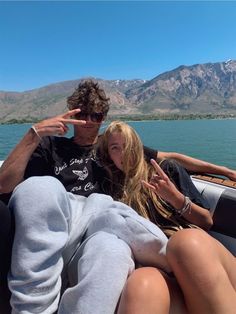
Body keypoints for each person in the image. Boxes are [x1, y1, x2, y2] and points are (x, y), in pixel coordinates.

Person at [0, 79, 235, 312]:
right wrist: (34, 134)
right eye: (83, 114)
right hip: (61, 228)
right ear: (72, 114)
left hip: (98, 232)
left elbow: (169, 157)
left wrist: (223, 171)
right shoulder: (50, 146)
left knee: (110, 246)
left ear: (103, 119)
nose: (89, 121)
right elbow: (4, 185)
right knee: (41, 190)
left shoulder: (112, 147)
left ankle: (173, 257)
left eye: (97, 116)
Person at [98, 120, 236, 314]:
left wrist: (176, 199)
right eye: (115, 148)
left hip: (199, 261)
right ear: (108, 154)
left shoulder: (166, 171)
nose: (125, 153)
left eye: (129, 146)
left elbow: (206, 221)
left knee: (185, 244)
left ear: (138, 147)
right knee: (142, 283)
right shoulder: (110, 188)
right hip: (165, 274)